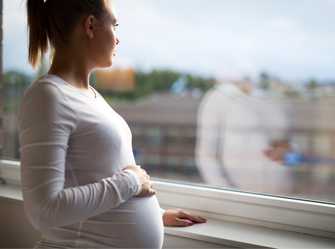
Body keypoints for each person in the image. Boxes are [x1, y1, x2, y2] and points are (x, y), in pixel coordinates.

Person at [17, 0, 206, 248]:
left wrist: (157, 215)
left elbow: (94, 175)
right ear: (91, 25)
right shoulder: (47, 97)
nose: (118, 39)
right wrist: (132, 182)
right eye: (115, 25)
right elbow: (44, 210)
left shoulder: (89, 95)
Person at [195, 80, 294, 195]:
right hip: (239, 198)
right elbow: (206, 155)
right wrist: (226, 193)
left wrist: (288, 156)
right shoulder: (219, 97)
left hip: (281, 196)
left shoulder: (280, 98)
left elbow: (290, 151)